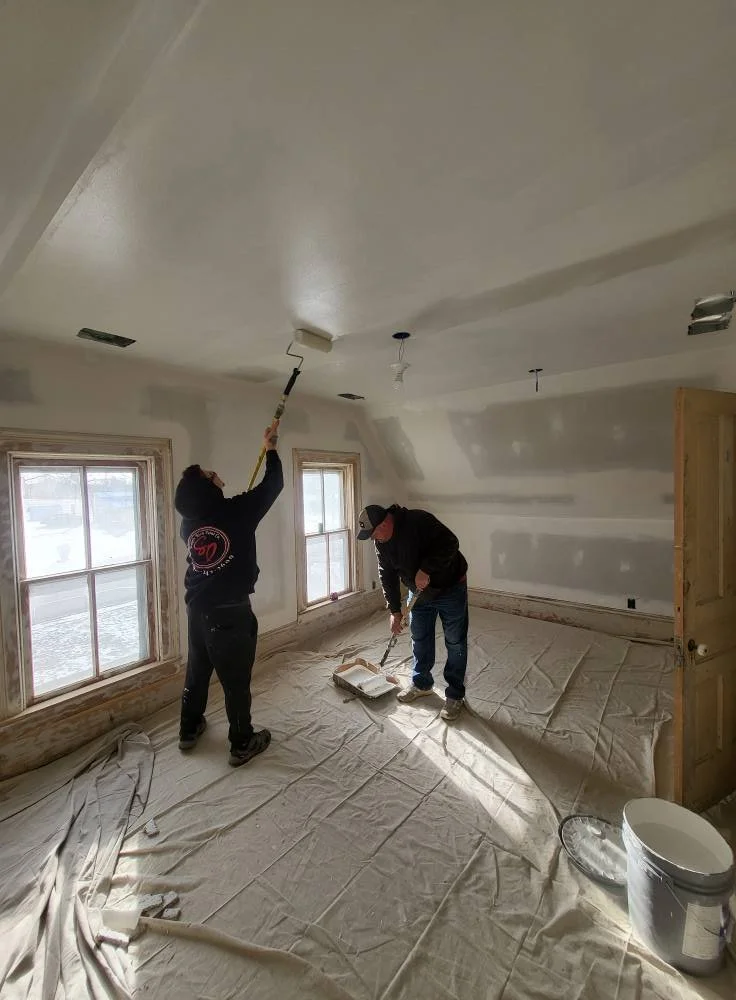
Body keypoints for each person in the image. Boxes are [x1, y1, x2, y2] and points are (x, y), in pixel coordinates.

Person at [173, 419, 283, 766]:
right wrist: (271, 449)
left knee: (198, 668)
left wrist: (237, 510)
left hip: (197, 608)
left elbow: (224, 521)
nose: (214, 472)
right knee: (235, 680)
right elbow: (273, 484)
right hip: (229, 613)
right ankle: (241, 743)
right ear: (208, 490)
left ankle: (189, 730)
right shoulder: (237, 512)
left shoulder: (189, 524)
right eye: (209, 474)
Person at [357, 503, 469, 720]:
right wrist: (394, 611)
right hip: (418, 593)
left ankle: (455, 695)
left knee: (455, 642)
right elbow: (386, 574)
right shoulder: (381, 542)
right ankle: (422, 683)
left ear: (386, 521)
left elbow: (451, 543)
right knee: (420, 637)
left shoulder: (418, 521)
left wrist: (426, 568)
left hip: (450, 586)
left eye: (373, 533)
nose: (373, 539)